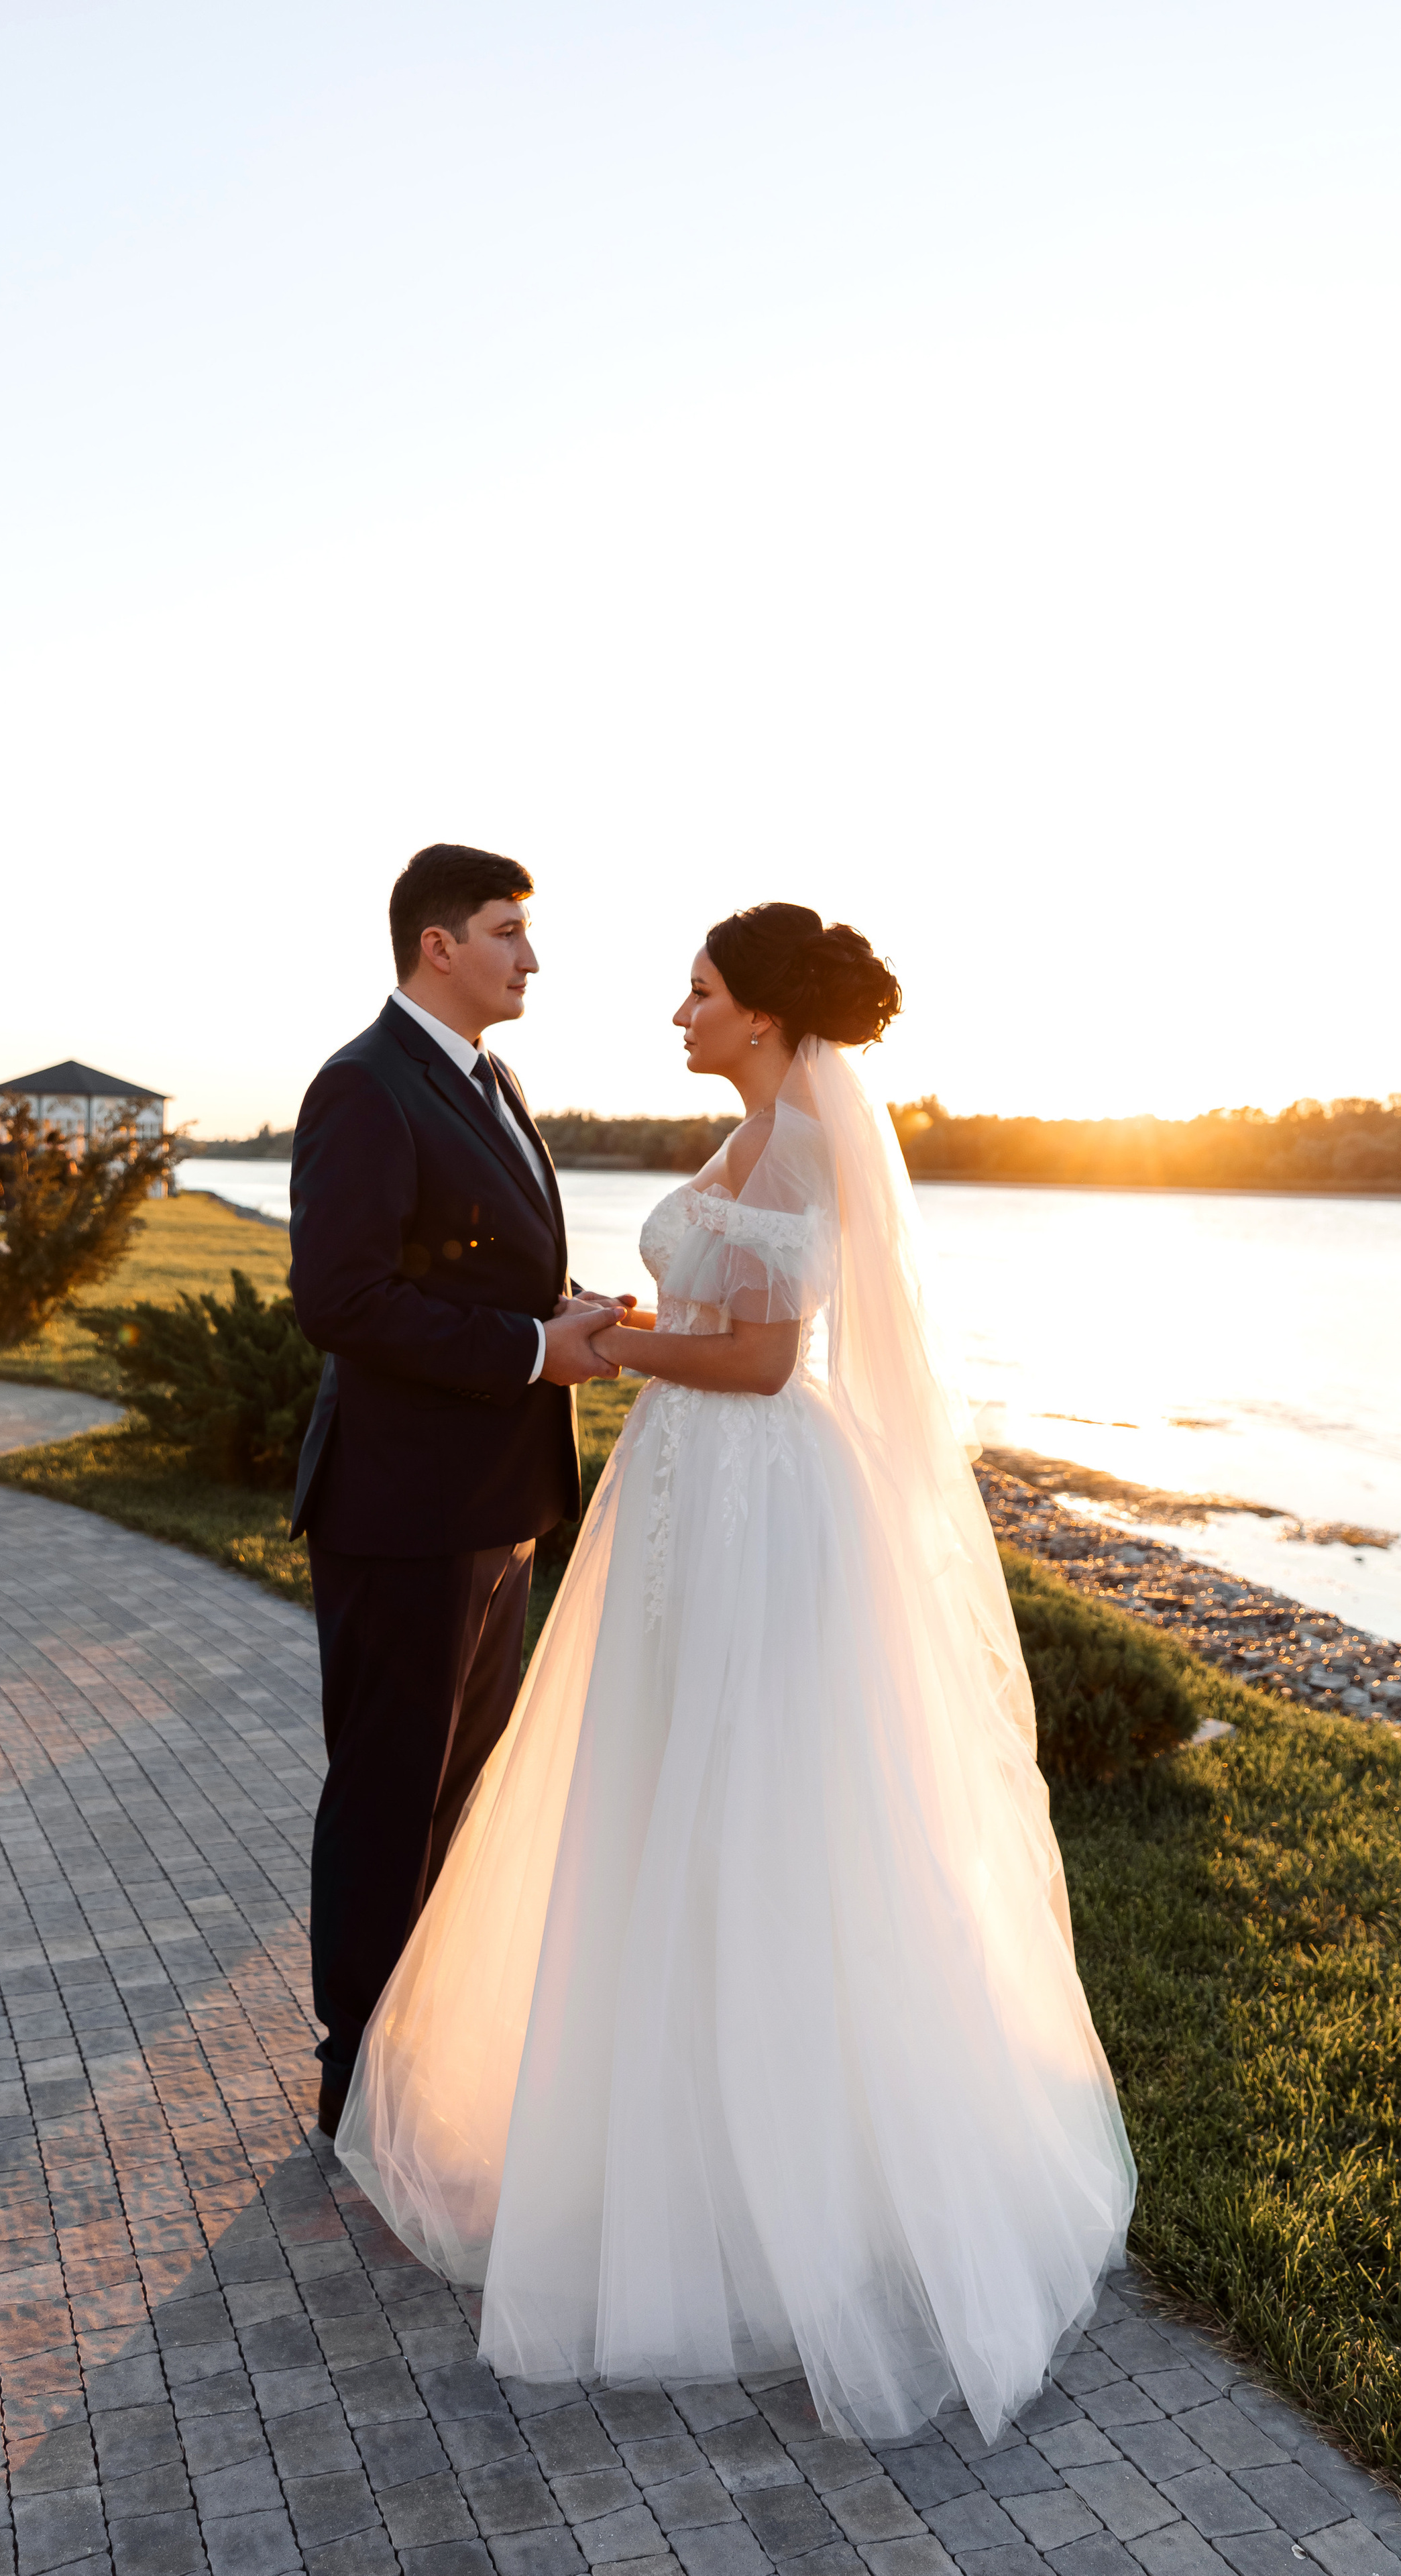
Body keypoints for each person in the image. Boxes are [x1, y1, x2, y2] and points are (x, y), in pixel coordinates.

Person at [334, 902, 1137, 2445]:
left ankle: (791, 2180)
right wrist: (637, 1324)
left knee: (759, 1801)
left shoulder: (797, 1154)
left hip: (763, 1498)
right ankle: (662, 2145)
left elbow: (770, 1360)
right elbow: (727, 1318)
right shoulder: (737, 1145)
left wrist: (618, 1351)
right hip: (692, 1495)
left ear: (761, 1017)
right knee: (654, 1795)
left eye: (696, 991)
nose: (676, 1012)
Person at [289, 844, 622, 2143]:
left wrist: (559, 1311)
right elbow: (344, 1298)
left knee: (458, 1790)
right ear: (439, 945)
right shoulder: (365, 1087)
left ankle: (418, 2047)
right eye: (507, 932)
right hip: (402, 1506)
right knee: (388, 1794)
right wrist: (533, 1352)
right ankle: (356, 2076)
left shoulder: (488, 1079)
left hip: (496, 1497)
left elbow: (470, 1270)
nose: (527, 958)